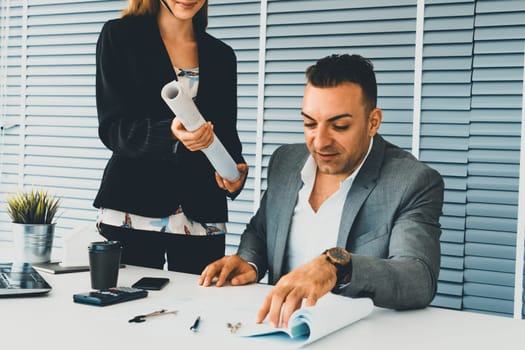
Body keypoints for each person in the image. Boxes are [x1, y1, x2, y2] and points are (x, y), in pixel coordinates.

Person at [199, 54, 444, 327]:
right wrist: (249, 262)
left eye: (340, 126)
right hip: (278, 332)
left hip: (358, 336)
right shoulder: (285, 162)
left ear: (373, 122)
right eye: (310, 123)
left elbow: (418, 278)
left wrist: (336, 266)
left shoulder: (412, 181)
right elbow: (261, 231)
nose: (320, 141)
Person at [93, 0, 248, 274]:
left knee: (200, 311)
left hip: (202, 212)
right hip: (134, 205)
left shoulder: (222, 55)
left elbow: (226, 136)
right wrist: (170, 134)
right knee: (124, 311)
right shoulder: (120, 36)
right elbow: (112, 128)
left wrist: (234, 174)